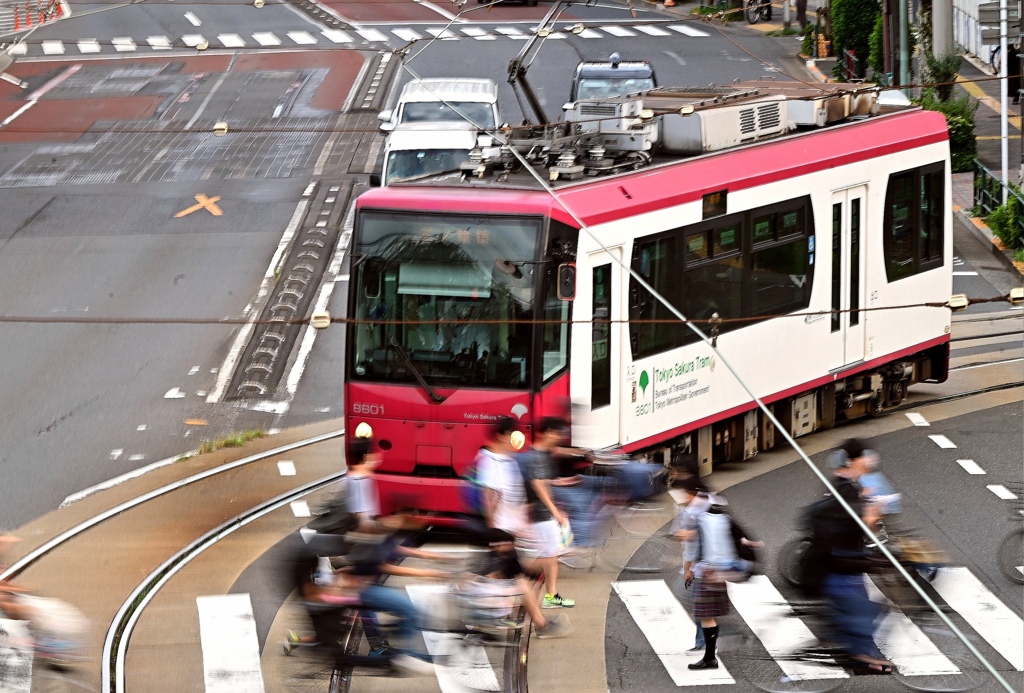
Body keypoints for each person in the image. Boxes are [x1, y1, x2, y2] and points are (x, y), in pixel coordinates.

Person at [811, 438, 893, 674]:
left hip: (846, 564)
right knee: (865, 613)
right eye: (863, 457)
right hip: (841, 565)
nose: (868, 461)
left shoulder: (846, 486)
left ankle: (852, 648)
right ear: (852, 461)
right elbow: (856, 525)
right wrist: (872, 515)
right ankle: (860, 658)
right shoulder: (846, 491)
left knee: (864, 612)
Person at [677, 488, 760, 670]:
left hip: (707, 572)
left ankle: (711, 655)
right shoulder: (722, 517)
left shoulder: (700, 519)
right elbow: (740, 537)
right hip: (720, 571)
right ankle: (711, 652)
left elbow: (693, 549)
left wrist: (688, 569)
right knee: (710, 615)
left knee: (706, 615)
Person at [517, 417, 575, 609]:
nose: (559, 437)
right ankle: (517, 575)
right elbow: (538, 484)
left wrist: (556, 508)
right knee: (550, 556)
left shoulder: (545, 455)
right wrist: (555, 511)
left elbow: (546, 484)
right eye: (557, 433)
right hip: (539, 516)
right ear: (547, 432)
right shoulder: (535, 456)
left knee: (552, 555)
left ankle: (550, 594)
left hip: (544, 514)